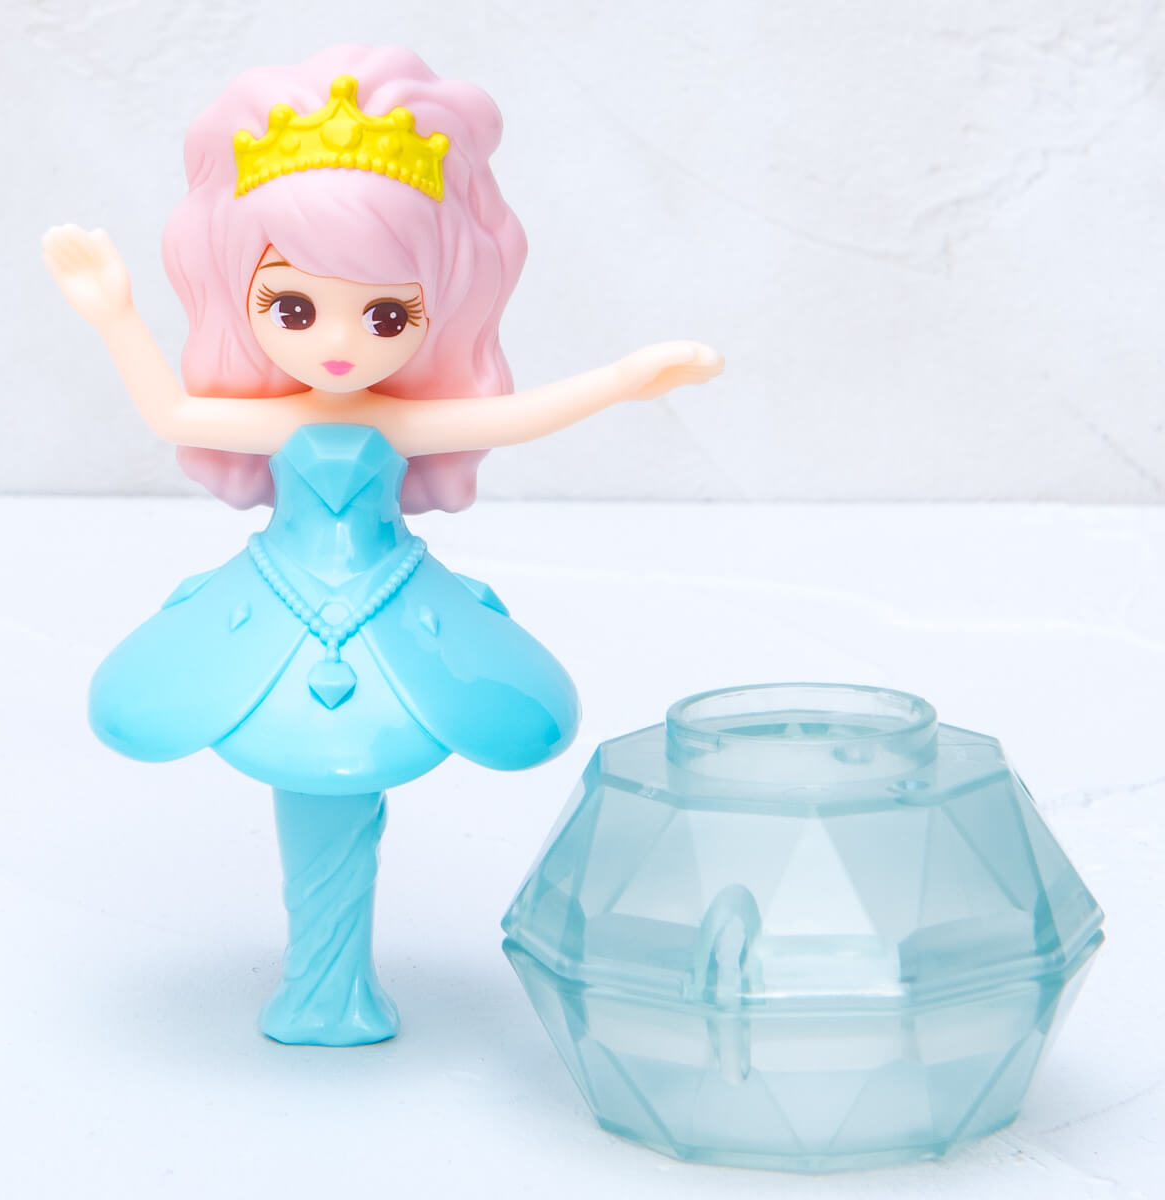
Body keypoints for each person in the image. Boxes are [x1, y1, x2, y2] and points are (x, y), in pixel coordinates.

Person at [42, 44, 723, 1046]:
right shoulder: (280, 418)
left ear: (436, 308)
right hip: (276, 605)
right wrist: (115, 314)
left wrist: (626, 379)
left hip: (390, 604)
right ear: (243, 294)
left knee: (356, 770)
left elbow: (519, 416)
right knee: (304, 764)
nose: (338, 342)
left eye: (386, 313)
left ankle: (334, 989)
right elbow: (171, 411)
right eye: (293, 307)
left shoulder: (399, 419)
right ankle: (323, 990)